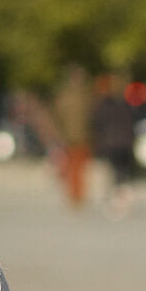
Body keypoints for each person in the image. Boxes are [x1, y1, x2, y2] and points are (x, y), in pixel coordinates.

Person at [92, 74, 137, 217]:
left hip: (111, 143)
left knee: (114, 173)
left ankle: (116, 200)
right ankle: (121, 198)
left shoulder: (104, 105)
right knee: (122, 173)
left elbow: (97, 123)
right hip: (124, 143)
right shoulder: (125, 104)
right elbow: (132, 123)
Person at [52, 65, 93, 208]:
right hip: (69, 137)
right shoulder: (66, 95)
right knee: (72, 168)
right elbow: (57, 116)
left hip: (83, 137)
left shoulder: (86, 95)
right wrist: (59, 133)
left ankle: (78, 196)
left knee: (79, 169)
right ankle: (74, 196)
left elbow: (92, 117)